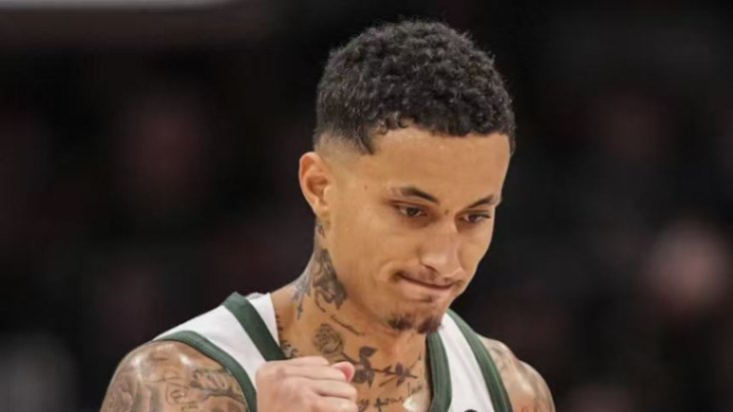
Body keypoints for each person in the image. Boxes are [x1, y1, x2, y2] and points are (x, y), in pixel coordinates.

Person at [100, 20, 555, 412]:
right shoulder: (175, 385)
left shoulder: (514, 393)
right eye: (412, 211)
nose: (444, 259)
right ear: (320, 187)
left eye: (474, 217)